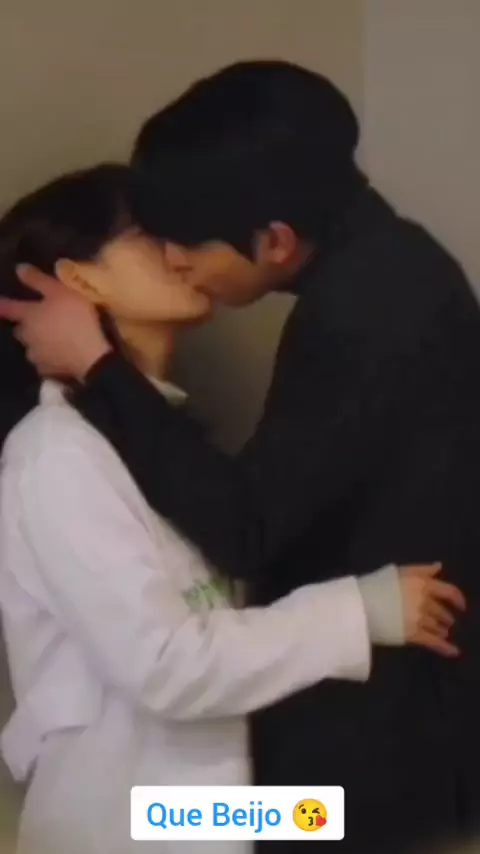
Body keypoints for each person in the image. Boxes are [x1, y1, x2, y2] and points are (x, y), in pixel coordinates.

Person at [1, 60, 480, 853]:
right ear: (81, 279)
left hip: (200, 814)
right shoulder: (56, 456)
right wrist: (361, 613)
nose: (177, 254)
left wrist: (332, 823)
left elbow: (235, 566)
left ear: (277, 241)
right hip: (129, 823)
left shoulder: (361, 312)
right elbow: (168, 663)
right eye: (150, 233)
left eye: (181, 233)